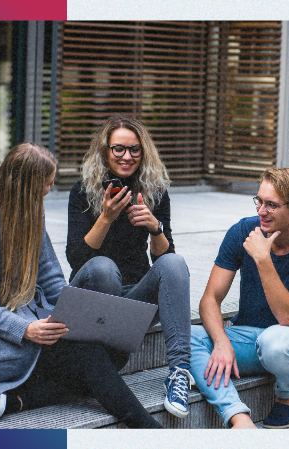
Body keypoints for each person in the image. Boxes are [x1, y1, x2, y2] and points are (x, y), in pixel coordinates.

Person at [0, 142, 162, 428]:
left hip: (34, 318)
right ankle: (148, 429)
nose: (49, 189)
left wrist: (71, 313)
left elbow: (50, 276)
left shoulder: (30, 210)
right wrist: (25, 329)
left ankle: (23, 398)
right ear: (26, 185)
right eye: (46, 184)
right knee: (91, 356)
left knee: (116, 353)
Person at [66, 114, 194, 419]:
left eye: (134, 150)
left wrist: (155, 228)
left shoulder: (155, 191)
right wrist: (106, 217)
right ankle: (105, 360)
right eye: (118, 149)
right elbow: (76, 259)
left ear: (144, 151)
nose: (127, 157)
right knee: (103, 268)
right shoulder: (82, 191)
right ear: (105, 150)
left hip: (134, 300)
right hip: (94, 295)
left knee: (175, 263)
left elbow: (165, 260)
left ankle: (179, 373)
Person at [189, 167, 289, 429]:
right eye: (259, 201)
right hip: (247, 337)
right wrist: (222, 341)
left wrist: (262, 258)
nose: (261, 211)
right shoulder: (244, 230)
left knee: (276, 342)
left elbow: (287, 316)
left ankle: (287, 395)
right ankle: (238, 417)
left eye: (271, 205)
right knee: (187, 337)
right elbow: (210, 299)